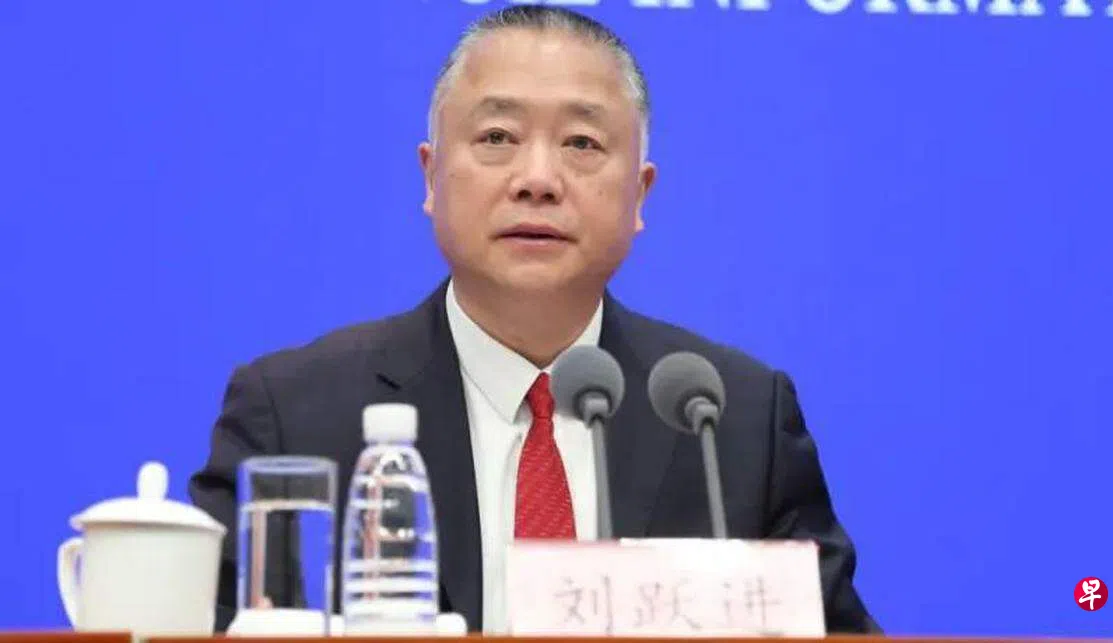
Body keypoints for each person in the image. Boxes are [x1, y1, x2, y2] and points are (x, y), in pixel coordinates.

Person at [189, 5, 878, 635]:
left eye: (581, 143)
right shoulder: (295, 414)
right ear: (431, 177)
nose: (538, 178)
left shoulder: (732, 421)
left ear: (640, 193)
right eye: (497, 136)